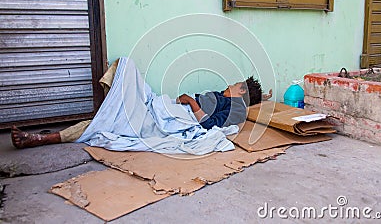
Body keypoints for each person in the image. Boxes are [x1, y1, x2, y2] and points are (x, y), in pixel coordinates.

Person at [11, 76, 265, 149]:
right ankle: (110, 110)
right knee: (125, 68)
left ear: (241, 90)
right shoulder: (222, 96)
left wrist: (190, 101)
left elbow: (208, 125)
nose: (229, 84)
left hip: (173, 118)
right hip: (166, 107)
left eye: (235, 83)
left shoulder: (236, 110)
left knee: (103, 125)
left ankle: (41, 138)